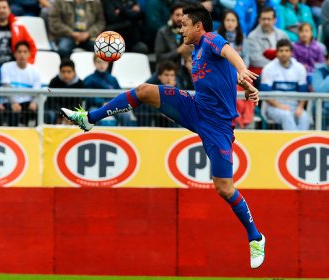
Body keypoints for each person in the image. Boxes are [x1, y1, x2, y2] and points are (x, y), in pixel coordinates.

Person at [60, 4, 266, 268]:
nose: (180, 29)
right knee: (145, 90)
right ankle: (89, 119)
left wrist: (241, 70)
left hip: (218, 127)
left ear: (198, 26)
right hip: (195, 108)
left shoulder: (211, 39)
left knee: (224, 188)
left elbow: (229, 52)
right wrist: (244, 84)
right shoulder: (197, 51)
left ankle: (256, 237)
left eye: (184, 24)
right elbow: (220, 74)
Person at [260, 39, 311, 130]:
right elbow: (265, 94)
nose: (284, 53)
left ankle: (298, 143)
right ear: (277, 52)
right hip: (274, 107)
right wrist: (280, 106)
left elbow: (304, 92)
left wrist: (300, 107)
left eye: (287, 51)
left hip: (295, 106)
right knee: (286, 115)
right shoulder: (269, 68)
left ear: (291, 52)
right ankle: (294, 143)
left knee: (305, 117)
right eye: (281, 51)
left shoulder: (299, 68)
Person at [84, 54, 136, 127]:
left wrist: (112, 103)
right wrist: (102, 103)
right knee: (93, 113)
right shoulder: (89, 79)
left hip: (113, 106)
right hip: (96, 106)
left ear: (108, 63)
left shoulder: (113, 79)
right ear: (94, 63)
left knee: (125, 114)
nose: (101, 64)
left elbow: (119, 94)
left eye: (104, 62)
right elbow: (88, 97)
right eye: (99, 62)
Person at [1, 41, 41, 126]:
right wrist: (14, 103)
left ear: (29, 54)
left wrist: (34, 102)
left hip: (27, 103)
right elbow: (6, 86)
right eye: (19, 52)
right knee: (12, 111)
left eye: (25, 52)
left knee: (39, 110)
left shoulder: (35, 70)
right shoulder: (6, 66)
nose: (22, 54)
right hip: (10, 102)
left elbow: (38, 92)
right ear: (15, 54)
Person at [247, 6, 288, 88]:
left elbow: (289, 53)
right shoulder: (252, 36)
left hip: (282, 68)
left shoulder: (283, 35)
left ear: (274, 20)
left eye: (269, 19)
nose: (266, 22)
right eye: (263, 19)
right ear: (259, 20)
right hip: (261, 71)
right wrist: (276, 66)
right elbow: (256, 60)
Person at [46, 58, 84, 124]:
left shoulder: (80, 84)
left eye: (69, 72)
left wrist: (69, 115)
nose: (66, 75)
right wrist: (61, 115)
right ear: (59, 71)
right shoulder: (53, 82)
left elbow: (79, 103)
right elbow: (51, 101)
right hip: (57, 113)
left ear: (74, 71)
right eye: (63, 72)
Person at [154, 2, 192, 68]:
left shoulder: (191, 32)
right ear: (171, 16)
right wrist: (179, 50)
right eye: (177, 15)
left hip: (188, 69)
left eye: (182, 15)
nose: (180, 18)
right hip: (169, 70)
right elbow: (159, 57)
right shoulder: (163, 32)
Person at [293, 22, 325, 90]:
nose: (304, 34)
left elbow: (321, 63)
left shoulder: (318, 47)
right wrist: (301, 66)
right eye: (301, 31)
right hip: (300, 74)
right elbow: (293, 62)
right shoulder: (295, 47)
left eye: (307, 31)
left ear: (311, 33)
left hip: (314, 74)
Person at [312, 53, 329, 130]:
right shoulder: (319, 71)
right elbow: (319, 90)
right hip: (323, 107)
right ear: (326, 60)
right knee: (321, 111)